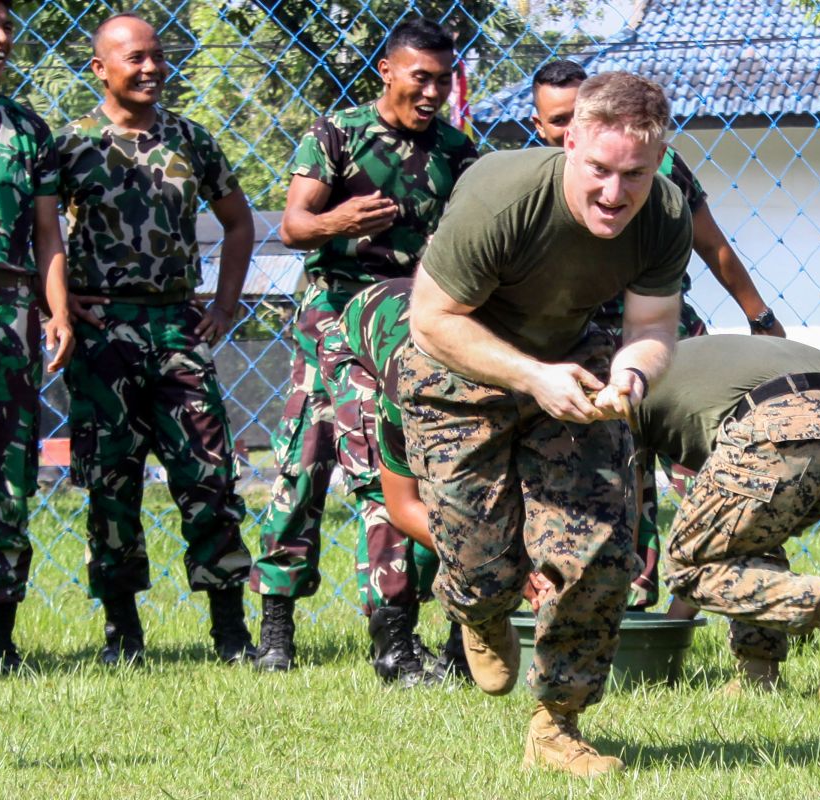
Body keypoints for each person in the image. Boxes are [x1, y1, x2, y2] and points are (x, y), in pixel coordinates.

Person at [400, 72, 692, 776]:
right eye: (599, 169)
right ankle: (478, 607)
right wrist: (531, 376)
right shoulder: (501, 197)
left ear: (659, 164)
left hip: (570, 356)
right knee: (482, 561)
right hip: (457, 367)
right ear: (569, 142)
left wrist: (633, 372)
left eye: (635, 175)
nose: (615, 194)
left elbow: (653, 324)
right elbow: (431, 320)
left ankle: (558, 725)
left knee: (600, 549)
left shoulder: (665, 213)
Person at [251, 18, 478, 672]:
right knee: (304, 465)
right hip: (334, 315)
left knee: (404, 464)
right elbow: (294, 226)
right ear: (387, 71)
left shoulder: (456, 152)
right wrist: (340, 220)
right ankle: (276, 629)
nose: (433, 91)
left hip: (416, 326)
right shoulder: (337, 134)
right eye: (420, 77)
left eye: (442, 78)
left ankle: (405, 636)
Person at [532, 59, 785, 609]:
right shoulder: (530, 185)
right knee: (615, 477)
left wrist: (759, 316)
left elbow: (712, 244)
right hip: (581, 341)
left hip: (665, 331)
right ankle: (632, 601)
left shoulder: (661, 164)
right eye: (559, 121)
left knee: (714, 469)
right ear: (549, 129)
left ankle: (747, 603)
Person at [57, 13, 256, 665]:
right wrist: (59, 299)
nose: (149, 68)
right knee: (112, 483)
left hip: (176, 328)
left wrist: (224, 306)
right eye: (133, 58)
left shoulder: (190, 140)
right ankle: (123, 635)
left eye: (157, 56)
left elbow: (237, 223)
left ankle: (230, 632)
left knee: (208, 476)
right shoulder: (73, 145)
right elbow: (37, 234)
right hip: (102, 334)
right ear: (100, 68)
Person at [640, 336, 820, 699]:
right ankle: (761, 673)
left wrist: (661, 643)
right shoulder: (674, 358)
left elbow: (625, 517)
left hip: (788, 418)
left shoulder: (618, 393)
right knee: (748, 534)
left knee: (688, 566)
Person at [0, 0, 74, 675]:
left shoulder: (26, 130)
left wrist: (58, 312)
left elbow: (48, 235)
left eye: (4, 27)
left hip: (8, 316)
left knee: (8, 476)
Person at [320, 276, 464, 686]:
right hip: (358, 357)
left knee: (467, 497)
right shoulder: (412, 378)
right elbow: (399, 498)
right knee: (380, 492)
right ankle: (394, 647)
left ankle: (462, 648)